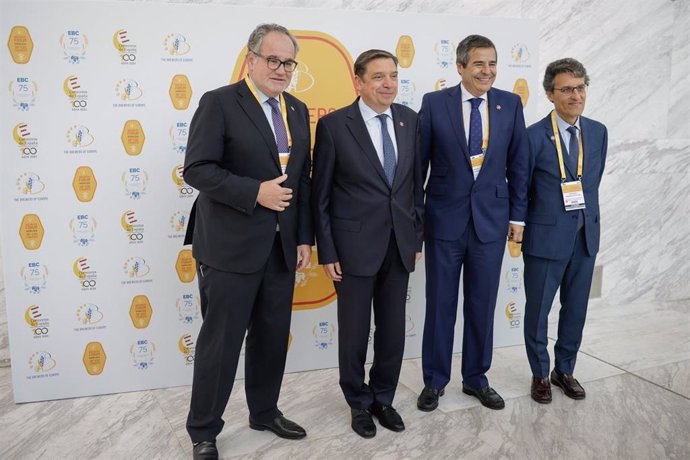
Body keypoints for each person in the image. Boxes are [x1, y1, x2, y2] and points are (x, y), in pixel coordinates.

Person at [182, 23, 313, 460]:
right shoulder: (219, 102)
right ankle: (203, 430)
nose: (280, 69)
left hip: (280, 246)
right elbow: (197, 169)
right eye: (272, 59)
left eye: (288, 62)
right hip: (229, 246)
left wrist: (301, 237)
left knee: (272, 336)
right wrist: (254, 191)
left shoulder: (296, 109)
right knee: (221, 344)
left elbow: (301, 183)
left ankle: (264, 411)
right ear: (251, 59)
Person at [311, 49, 423, 438]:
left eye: (392, 75)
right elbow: (320, 195)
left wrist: (416, 236)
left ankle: (383, 398)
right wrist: (328, 250)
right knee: (355, 332)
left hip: (400, 245)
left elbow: (414, 188)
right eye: (378, 77)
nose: (387, 83)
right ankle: (358, 403)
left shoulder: (410, 120)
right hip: (352, 248)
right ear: (358, 82)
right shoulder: (334, 126)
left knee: (392, 330)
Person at [416, 35, 529, 412]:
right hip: (444, 221)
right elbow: (418, 168)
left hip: (491, 223)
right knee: (440, 305)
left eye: (493, 63)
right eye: (479, 64)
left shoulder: (510, 104)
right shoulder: (434, 104)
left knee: (482, 304)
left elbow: (519, 165)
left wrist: (517, 217)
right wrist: (416, 222)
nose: (488, 71)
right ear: (460, 66)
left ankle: (477, 378)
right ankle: (434, 380)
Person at [523, 58, 607, 404]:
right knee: (538, 310)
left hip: (585, 237)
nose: (576, 95)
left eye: (581, 87)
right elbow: (522, 190)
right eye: (567, 89)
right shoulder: (532, 137)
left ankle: (565, 369)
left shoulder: (598, 131)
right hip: (545, 239)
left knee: (576, 310)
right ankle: (541, 374)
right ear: (549, 94)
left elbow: (592, 181)